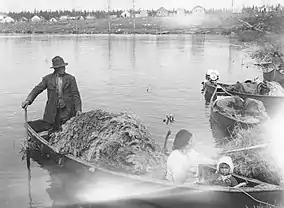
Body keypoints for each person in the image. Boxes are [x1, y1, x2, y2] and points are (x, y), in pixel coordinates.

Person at [21, 56, 82, 132]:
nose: (63, 69)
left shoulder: (71, 79)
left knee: (65, 129)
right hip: (52, 111)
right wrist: (28, 100)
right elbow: (37, 89)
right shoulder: (47, 79)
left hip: (67, 111)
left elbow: (76, 95)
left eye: (63, 67)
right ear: (55, 69)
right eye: (60, 67)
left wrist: (78, 110)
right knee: (50, 128)